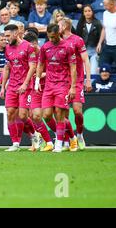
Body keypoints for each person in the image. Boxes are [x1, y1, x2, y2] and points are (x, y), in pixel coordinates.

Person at [35, 23, 77, 153]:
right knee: (47, 115)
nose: (51, 39)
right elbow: (40, 64)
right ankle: (70, 137)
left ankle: (58, 144)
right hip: (48, 86)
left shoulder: (68, 46)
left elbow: (73, 67)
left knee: (59, 114)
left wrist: (73, 87)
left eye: (53, 37)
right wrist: (37, 81)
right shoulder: (45, 47)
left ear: (59, 33)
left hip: (63, 84)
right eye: (49, 37)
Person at [0, 24, 41, 151]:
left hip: (25, 86)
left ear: (16, 33)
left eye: (8, 36)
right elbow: (7, 67)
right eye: (4, 36)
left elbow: (33, 66)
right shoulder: (7, 48)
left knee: (23, 115)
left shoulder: (28, 47)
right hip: (12, 85)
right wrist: (2, 86)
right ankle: (15, 144)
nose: (6, 39)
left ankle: (34, 135)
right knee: (10, 113)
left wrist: (25, 83)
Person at [59, 17, 92, 151]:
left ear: (66, 26)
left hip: (77, 80)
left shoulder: (77, 40)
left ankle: (79, 134)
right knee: (64, 114)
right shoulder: (57, 41)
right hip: (62, 81)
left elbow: (86, 60)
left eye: (59, 25)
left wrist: (88, 79)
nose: (57, 27)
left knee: (77, 111)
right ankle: (67, 140)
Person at [21, 30, 54, 152]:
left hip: (49, 87)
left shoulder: (45, 52)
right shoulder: (28, 54)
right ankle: (48, 142)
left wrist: (40, 76)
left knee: (51, 116)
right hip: (34, 88)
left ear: (34, 44)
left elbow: (55, 69)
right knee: (34, 115)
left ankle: (68, 137)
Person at [76, 4, 103, 75]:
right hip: (83, 51)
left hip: (94, 51)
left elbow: (101, 38)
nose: (87, 13)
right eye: (85, 11)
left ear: (92, 12)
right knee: (84, 73)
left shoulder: (97, 23)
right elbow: (77, 38)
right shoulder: (80, 24)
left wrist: (99, 52)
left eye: (89, 11)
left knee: (93, 72)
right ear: (83, 13)